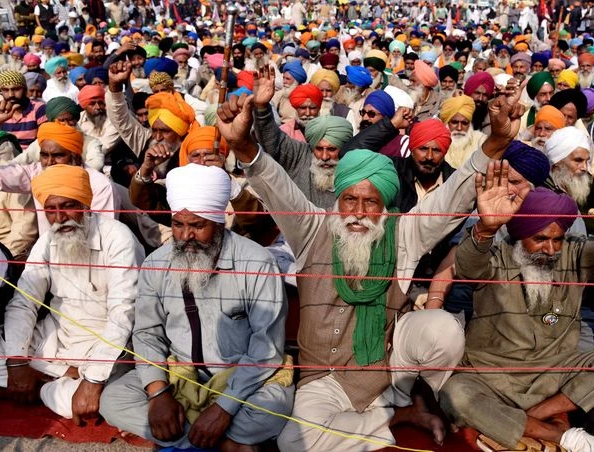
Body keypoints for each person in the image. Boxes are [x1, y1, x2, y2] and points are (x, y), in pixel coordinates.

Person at [216, 76, 522, 450]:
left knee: (443, 328)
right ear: (337, 200)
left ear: (386, 206)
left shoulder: (401, 234)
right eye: (350, 201)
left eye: (371, 202)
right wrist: (242, 145)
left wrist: (495, 143)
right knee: (295, 443)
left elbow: (450, 202)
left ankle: (391, 408)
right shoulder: (313, 229)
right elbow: (275, 185)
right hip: (324, 379)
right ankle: (398, 418)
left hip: (389, 371)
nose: (359, 213)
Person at [440, 140, 594, 450]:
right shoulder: (496, 258)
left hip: (555, 373)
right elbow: (469, 266)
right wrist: (484, 231)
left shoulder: (574, 256)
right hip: (493, 375)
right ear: (521, 234)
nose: (550, 249)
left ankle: (529, 417)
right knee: (454, 393)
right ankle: (558, 435)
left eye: (557, 240)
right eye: (539, 239)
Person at [100, 164, 293, 451]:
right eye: (178, 224)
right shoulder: (157, 262)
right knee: (113, 399)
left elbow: (266, 348)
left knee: (272, 407)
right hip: (181, 376)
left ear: (217, 223)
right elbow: (147, 334)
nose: (186, 236)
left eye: (197, 226)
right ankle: (227, 441)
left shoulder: (257, 262)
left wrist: (224, 408)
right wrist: (158, 394)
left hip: (243, 380)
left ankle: (203, 434)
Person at [0, 164, 143, 420]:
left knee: (101, 400)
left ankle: (33, 388)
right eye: (51, 210)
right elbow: (23, 303)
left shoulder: (118, 239)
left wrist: (92, 379)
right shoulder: (48, 240)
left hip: (101, 345)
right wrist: (16, 361)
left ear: (84, 204)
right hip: (55, 339)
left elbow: (123, 314)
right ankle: (48, 382)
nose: (60, 218)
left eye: (68, 206)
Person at [0, 101, 119, 234]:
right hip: (49, 258)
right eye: (44, 155)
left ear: (77, 157)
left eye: (58, 155)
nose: (49, 162)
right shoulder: (36, 173)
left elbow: (103, 235)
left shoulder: (99, 185)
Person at [251, 69, 354, 208]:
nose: (324, 156)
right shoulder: (300, 155)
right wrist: (261, 107)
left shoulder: (353, 167)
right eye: (318, 148)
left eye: (331, 149)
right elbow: (272, 140)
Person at [544, 126, 594, 234]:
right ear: (557, 162)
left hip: (586, 240)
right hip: (561, 242)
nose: (584, 167)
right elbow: (565, 215)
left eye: (586, 161)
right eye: (578, 160)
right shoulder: (542, 185)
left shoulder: (583, 179)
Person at [0, 71, 47, 150]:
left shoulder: (39, 109)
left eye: (16, 89)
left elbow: (44, 140)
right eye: (6, 90)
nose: (11, 94)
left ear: (25, 90)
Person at [439, 94, 487, 168]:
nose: (459, 128)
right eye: (454, 122)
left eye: (464, 123)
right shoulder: (437, 142)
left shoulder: (480, 140)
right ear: (447, 123)